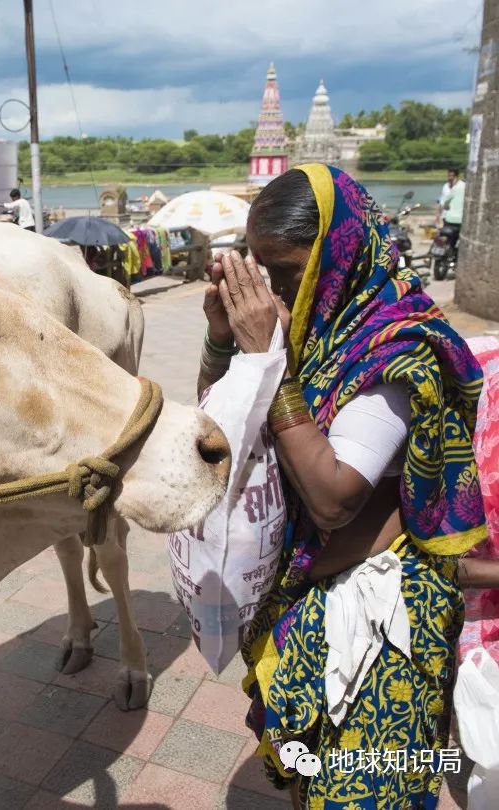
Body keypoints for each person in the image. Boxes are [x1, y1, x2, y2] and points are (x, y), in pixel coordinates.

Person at [199, 164, 486, 809]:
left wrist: (268, 361)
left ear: (340, 256)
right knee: (311, 773)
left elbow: (333, 497)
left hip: (380, 624)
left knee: (369, 786)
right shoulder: (311, 334)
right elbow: (220, 435)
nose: (269, 293)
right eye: (259, 272)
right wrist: (224, 344)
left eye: (287, 274)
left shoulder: (395, 347)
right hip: (306, 601)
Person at [440, 168, 465, 252]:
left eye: (452, 176)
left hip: (450, 219)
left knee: (447, 238)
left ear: (456, 177)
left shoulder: (456, 187)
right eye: (448, 176)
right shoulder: (446, 186)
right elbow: (442, 200)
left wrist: (446, 207)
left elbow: (446, 202)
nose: (450, 178)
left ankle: (448, 251)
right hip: (458, 219)